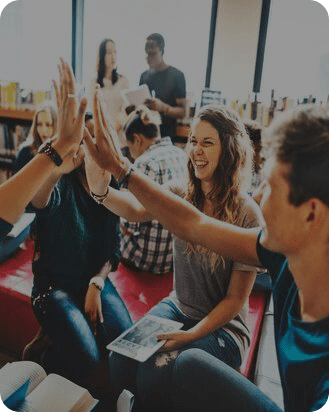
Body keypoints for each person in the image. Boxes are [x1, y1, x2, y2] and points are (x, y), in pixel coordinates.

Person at [83, 101, 329, 412]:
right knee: (121, 360)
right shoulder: (279, 257)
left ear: (312, 213)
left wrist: (189, 336)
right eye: (193, 142)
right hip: (181, 306)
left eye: (272, 187)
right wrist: (102, 186)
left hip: (222, 329)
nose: (259, 196)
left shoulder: (251, 218)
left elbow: (234, 298)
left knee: (163, 370)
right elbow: (190, 223)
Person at [24, 69, 133, 406]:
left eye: (93, 140)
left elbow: (112, 247)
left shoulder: (105, 184)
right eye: (81, 140)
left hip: (92, 281)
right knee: (86, 358)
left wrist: (98, 284)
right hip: (52, 287)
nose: (88, 147)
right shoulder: (60, 180)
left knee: (123, 344)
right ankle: (44, 358)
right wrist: (55, 167)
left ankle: (59, 339)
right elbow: (39, 201)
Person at [0, 59, 87, 240]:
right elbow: (18, 205)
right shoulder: (26, 151)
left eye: (49, 124)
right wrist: (59, 146)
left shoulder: (72, 156)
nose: (45, 130)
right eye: (40, 124)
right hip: (30, 221)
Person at [120, 104, 187, 274]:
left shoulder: (144, 164)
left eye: (129, 147)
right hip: (175, 258)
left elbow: (129, 224)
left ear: (138, 139)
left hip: (147, 260)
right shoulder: (181, 154)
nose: (131, 154)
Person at [139, 33, 186, 141]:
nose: (149, 57)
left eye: (153, 53)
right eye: (147, 53)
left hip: (166, 137)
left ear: (162, 51)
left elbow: (183, 112)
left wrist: (164, 108)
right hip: (145, 136)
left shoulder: (176, 76)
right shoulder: (144, 76)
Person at [89, 38, 129, 148]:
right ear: (101, 56)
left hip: (121, 140)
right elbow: (92, 111)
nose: (113, 56)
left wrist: (114, 130)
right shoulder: (94, 83)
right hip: (102, 139)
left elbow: (127, 109)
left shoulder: (123, 80)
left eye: (115, 52)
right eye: (109, 52)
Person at [14, 103, 57, 173]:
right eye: (39, 124)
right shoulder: (25, 152)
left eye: (48, 125)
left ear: (56, 126)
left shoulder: (63, 154)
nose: (43, 130)